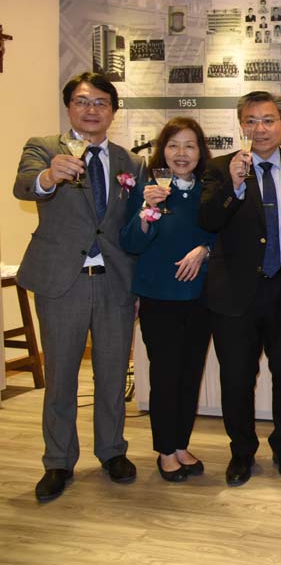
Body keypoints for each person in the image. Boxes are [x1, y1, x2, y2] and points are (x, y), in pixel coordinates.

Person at [13, 72, 146, 502]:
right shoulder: (44, 147)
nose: (92, 110)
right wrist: (48, 177)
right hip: (61, 282)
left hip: (115, 284)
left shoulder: (130, 163)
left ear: (113, 111)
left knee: (112, 374)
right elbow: (24, 185)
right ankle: (58, 461)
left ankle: (112, 451)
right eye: (83, 101)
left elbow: (134, 228)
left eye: (101, 102)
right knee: (61, 377)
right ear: (69, 106)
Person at [198, 91, 281, 486]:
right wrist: (234, 186)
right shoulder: (220, 168)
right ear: (241, 126)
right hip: (236, 294)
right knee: (236, 377)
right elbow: (208, 220)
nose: (260, 129)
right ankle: (241, 451)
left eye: (268, 120)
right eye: (251, 121)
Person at [120, 117, 215, 482]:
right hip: (159, 297)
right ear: (163, 151)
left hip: (200, 298)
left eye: (190, 145)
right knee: (165, 375)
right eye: (174, 145)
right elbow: (131, 242)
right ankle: (165, 450)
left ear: (200, 152)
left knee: (191, 374)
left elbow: (222, 234)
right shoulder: (149, 190)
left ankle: (181, 444)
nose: (181, 153)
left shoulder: (208, 190)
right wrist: (147, 213)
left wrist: (204, 250)